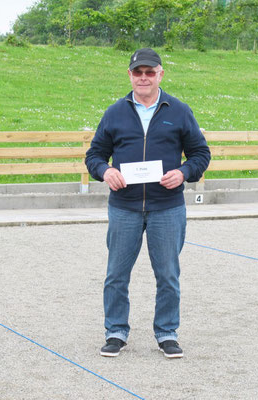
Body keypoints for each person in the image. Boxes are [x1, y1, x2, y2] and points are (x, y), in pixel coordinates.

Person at [85, 48, 211, 359]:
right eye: (138, 72)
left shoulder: (179, 111)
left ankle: (167, 332)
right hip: (124, 207)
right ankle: (116, 331)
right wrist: (106, 171)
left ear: (160, 75)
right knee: (116, 273)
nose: (144, 77)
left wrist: (183, 173)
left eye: (150, 72)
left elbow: (200, 154)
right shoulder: (114, 113)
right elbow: (94, 156)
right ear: (129, 75)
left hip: (167, 207)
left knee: (167, 274)